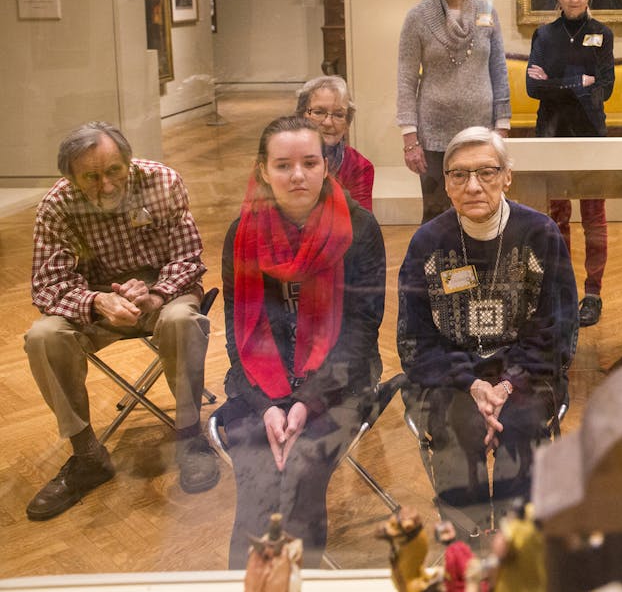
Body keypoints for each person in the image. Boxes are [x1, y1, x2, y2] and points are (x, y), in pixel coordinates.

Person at [24, 121, 218, 521]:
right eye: (91, 177)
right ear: (72, 178)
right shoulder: (56, 205)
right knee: (43, 336)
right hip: (96, 301)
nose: (107, 185)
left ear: (128, 162)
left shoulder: (162, 182)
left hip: (164, 291)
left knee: (182, 319)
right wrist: (98, 301)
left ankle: (189, 434)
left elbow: (188, 259)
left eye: (114, 170)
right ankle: (86, 454)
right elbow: (48, 285)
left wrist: (157, 294)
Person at [220, 115, 385, 567]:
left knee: (302, 465)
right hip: (259, 388)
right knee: (257, 471)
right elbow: (239, 334)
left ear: (326, 166)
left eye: (310, 162)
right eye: (283, 165)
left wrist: (305, 402)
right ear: (262, 170)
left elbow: (360, 332)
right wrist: (267, 405)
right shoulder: (241, 234)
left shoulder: (359, 228)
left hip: (339, 383)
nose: (298, 176)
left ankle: (299, 575)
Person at [397, 127, 577, 530]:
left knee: (523, 426)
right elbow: (414, 343)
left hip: (528, 373)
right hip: (451, 376)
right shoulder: (428, 242)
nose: (473, 186)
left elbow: (559, 331)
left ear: (507, 177)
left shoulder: (540, 233)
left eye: (487, 172)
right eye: (459, 175)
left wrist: (507, 385)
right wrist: (472, 384)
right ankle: (467, 547)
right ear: (445, 183)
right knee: (459, 430)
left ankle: (519, 547)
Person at [397, 0, 512, 223]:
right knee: (437, 216)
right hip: (434, 136)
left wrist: (503, 126)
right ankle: (440, 269)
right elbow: (406, 79)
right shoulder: (417, 17)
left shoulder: (487, 12)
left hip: (481, 133)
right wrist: (410, 139)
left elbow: (499, 71)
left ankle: (481, 268)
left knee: (482, 209)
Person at [526, 0, 615, 327]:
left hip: (591, 136)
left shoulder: (602, 34)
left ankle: (592, 293)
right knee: (556, 218)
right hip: (552, 134)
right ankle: (561, 289)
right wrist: (580, 82)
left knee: (593, 220)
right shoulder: (544, 35)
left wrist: (557, 83)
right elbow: (533, 89)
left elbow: (606, 87)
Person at [295, 75, 374, 212]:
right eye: (318, 112)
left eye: (338, 115)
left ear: (347, 124)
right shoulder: (278, 158)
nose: (328, 122)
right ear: (301, 115)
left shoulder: (359, 167)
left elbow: (362, 225)